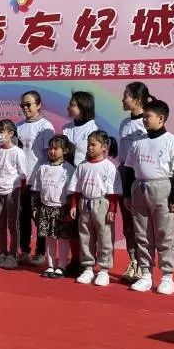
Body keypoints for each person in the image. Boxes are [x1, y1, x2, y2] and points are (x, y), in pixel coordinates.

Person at [122, 100, 174, 295]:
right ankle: (146, 274)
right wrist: (127, 194)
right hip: (139, 189)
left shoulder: (172, 142)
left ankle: (167, 277)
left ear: (161, 118)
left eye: (148, 117)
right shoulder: (138, 142)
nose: (144, 120)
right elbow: (129, 169)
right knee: (142, 234)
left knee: (165, 234)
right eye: (143, 117)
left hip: (162, 189)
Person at [68, 130, 122, 287]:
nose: (89, 148)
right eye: (88, 145)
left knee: (105, 237)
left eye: (93, 145)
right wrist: (74, 205)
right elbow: (76, 188)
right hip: (84, 204)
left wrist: (112, 209)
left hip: (102, 204)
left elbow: (113, 192)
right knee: (85, 237)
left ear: (104, 147)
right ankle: (88, 268)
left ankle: (104, 270)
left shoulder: (109, 167)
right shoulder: (82, 166)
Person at [118, 82, 153, 283]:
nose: (123, 99)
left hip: (140, 176)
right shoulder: (124, 123)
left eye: (126, 96)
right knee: (128, 224)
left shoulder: (146, 123)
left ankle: (144, 264)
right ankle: (133, 261)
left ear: (138, 100)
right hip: (124, 173)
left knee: (142, 224)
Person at [16, 90, 55, 266]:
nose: (25, 108)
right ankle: (24, 251)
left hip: (38, 180)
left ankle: (40, 252)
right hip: (21, 179)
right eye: (22, 105)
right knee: (22, 217)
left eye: (28, 104)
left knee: (39, 218)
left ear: (38, 105)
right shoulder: (18, 126)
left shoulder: (46, 127)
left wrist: (45, 178)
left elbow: (49, 155)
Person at [62, 91, 98, 275]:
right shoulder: (66, 128)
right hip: (67, 182)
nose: (69, 107)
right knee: (71, 224)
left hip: (85, 183)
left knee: (86, 225)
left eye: (73, 104)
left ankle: (88, 262)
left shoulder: (93, 129)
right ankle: (75, 259)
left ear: (84, 107)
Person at [0, 119, 27, 270]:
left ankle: (13, 255)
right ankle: (2, 253)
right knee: (0, 225)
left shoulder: (18, 152)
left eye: (1, 132)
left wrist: (18, 191)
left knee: (12, 225)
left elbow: (23, 175)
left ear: (11, 134)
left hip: (12, 192)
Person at [38, 135, 75, 278]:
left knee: (63, 238)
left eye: (56, 148)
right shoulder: (43, 167)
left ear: (65, 151)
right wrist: (36, 208)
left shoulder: (68, 169)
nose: (52, 151)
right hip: (45, 207)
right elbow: (37, 189)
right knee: (49, 238)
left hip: (61, 208)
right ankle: (50, 265)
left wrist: (71, 208)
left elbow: (71, 192)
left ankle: (62, 266)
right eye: (50, 148)